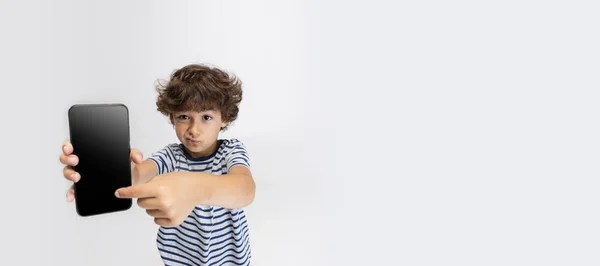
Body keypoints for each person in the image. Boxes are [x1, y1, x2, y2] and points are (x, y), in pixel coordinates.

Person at [59, 64, 256, 265]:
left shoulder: (230, 151)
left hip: (229, 260)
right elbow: (137, 174)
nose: (194, 130)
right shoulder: (170, 156)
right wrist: (107, 170)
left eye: (206, 117)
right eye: (184, 117)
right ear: (172, 118)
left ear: (224, 118)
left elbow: (245, 190)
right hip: (179, 259)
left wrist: (194, 188)